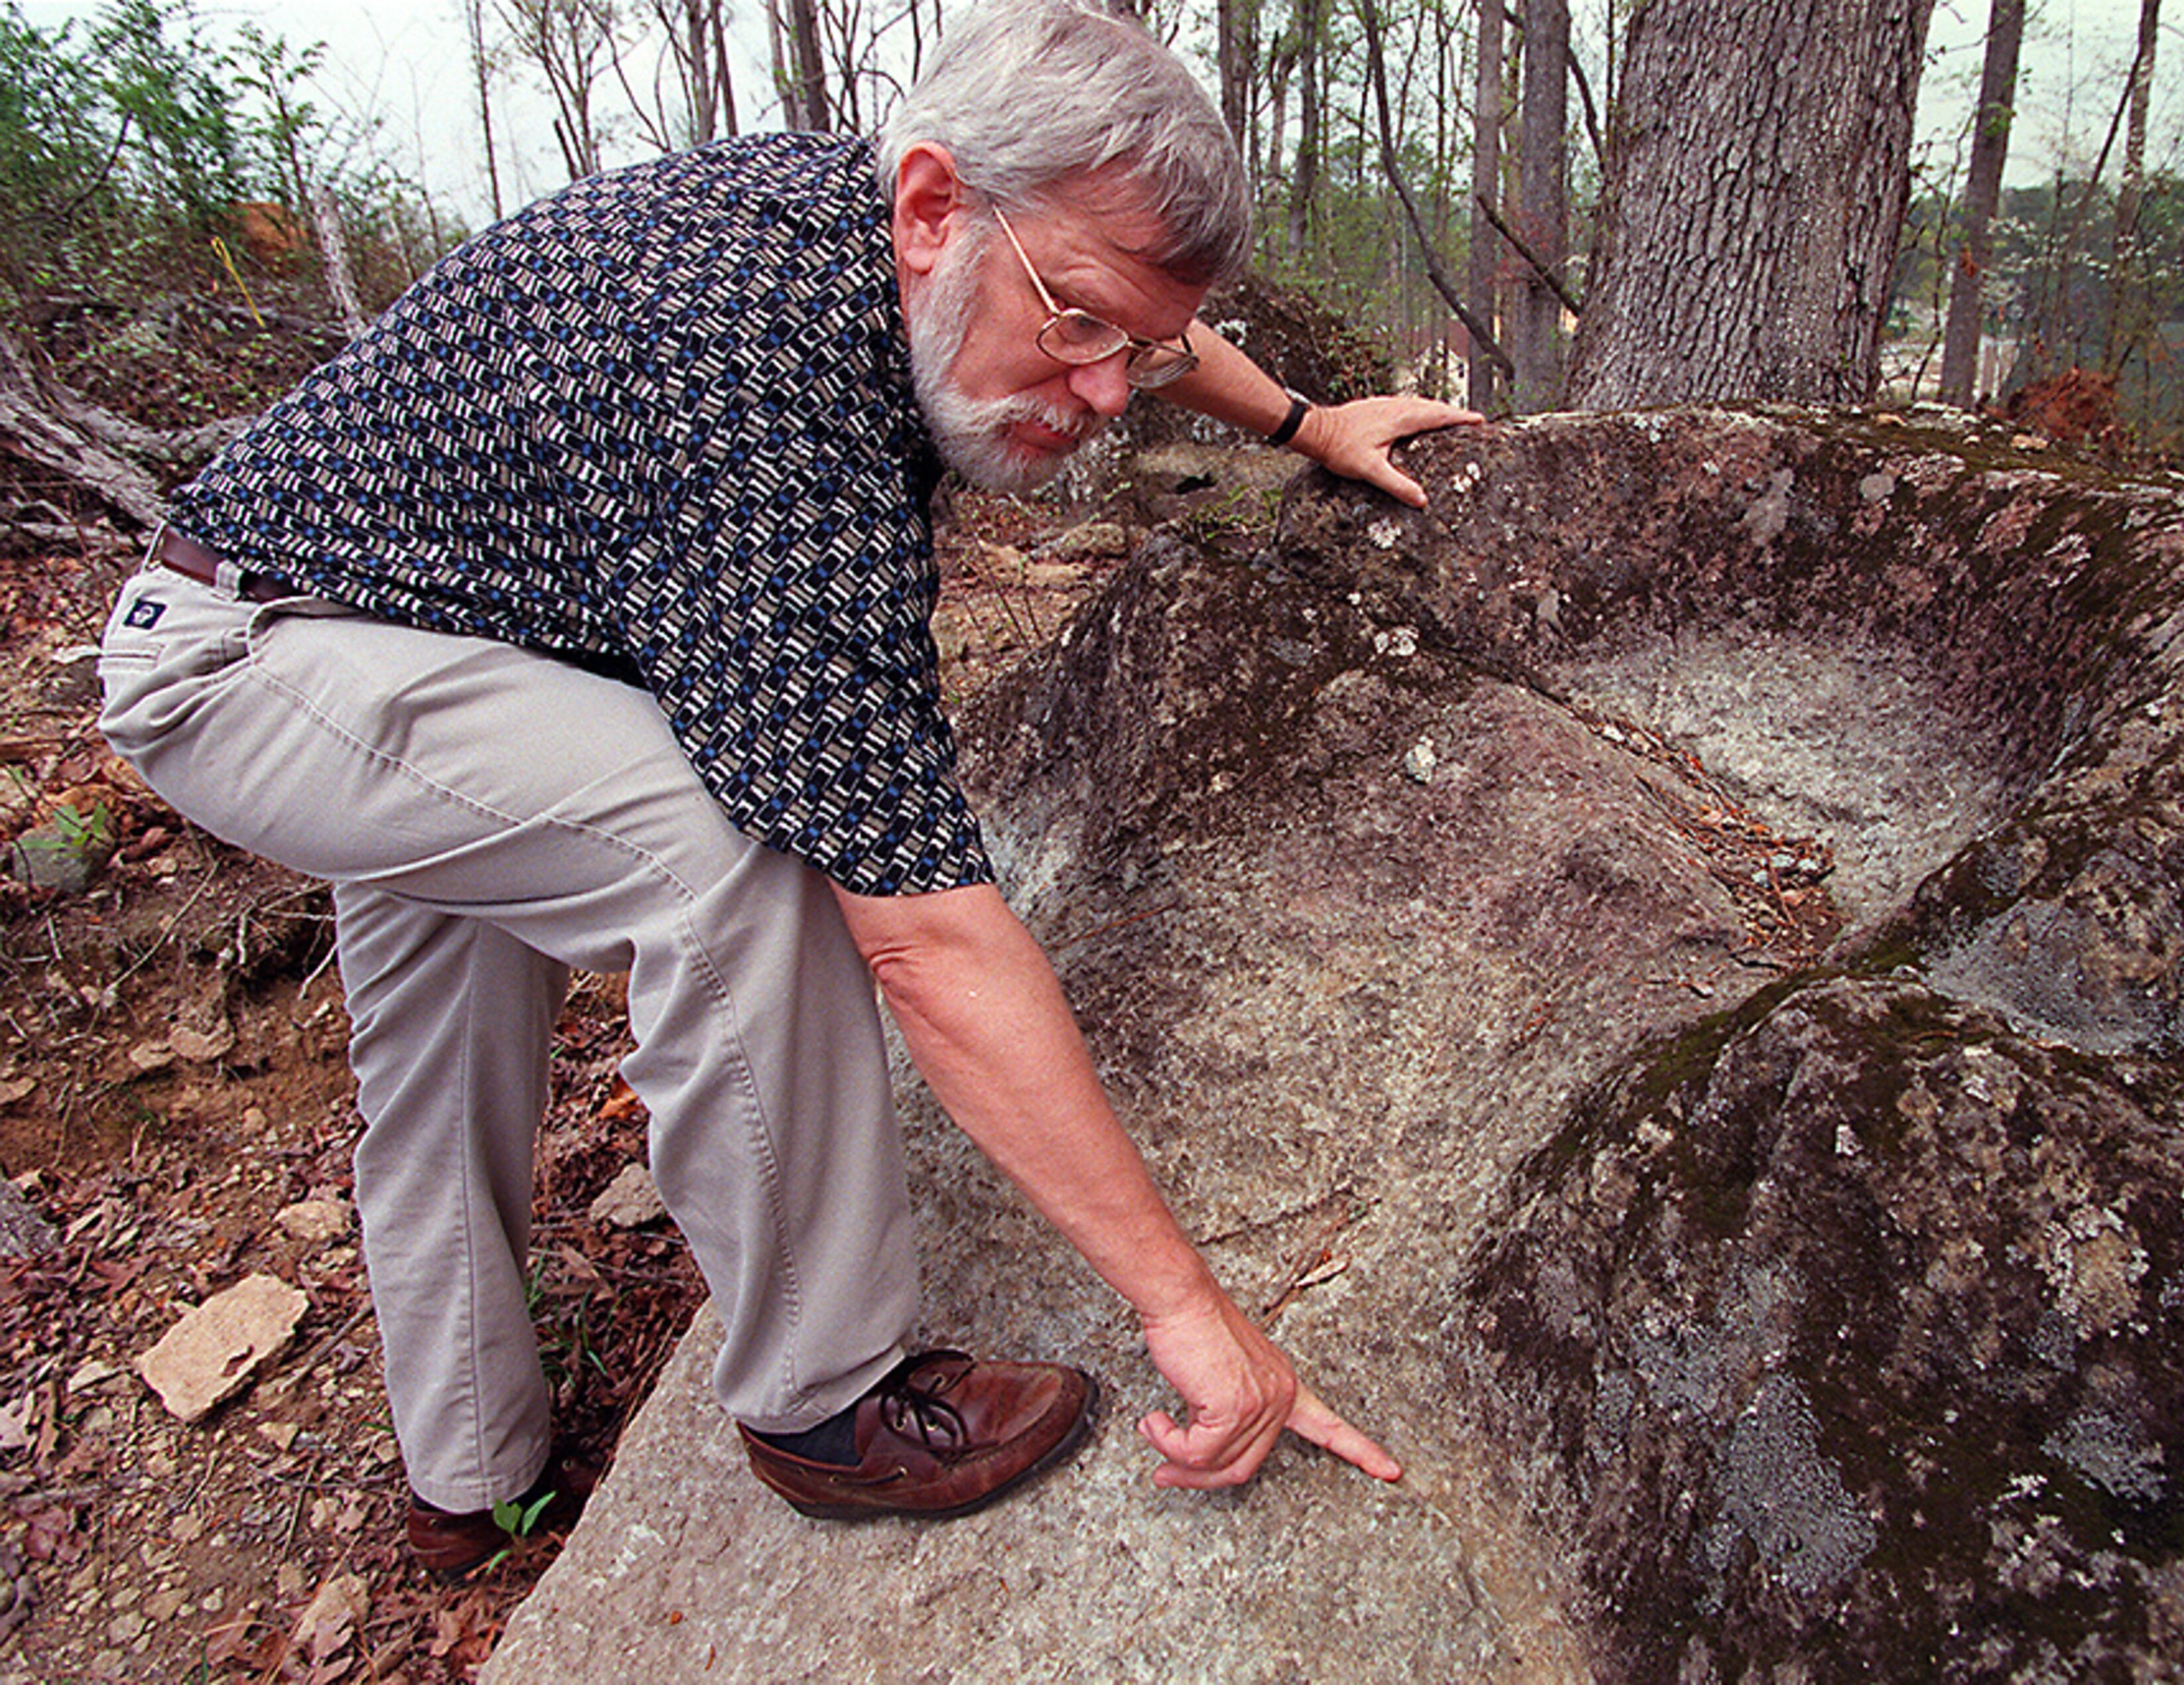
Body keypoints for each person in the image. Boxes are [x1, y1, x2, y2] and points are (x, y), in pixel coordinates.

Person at [95, 0, 1477, 1578]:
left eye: (1136, 348)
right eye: (1080, 329)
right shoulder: (753, 380)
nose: (1106, 393)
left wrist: (1300, 418)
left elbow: (1124, 303)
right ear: (932, 207)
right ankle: (830, 1397)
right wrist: (1193, 1310)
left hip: (424, 623)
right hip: (258, 654)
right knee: (732, 851)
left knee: (437, 1071)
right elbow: (925, 937)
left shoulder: (908, 236)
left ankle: (471, 1479)